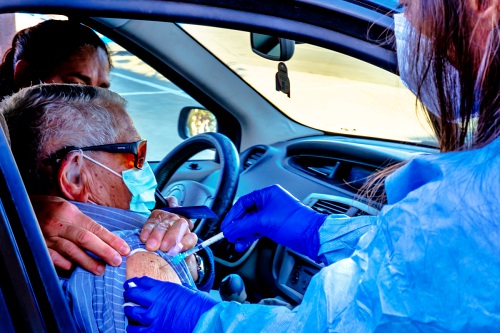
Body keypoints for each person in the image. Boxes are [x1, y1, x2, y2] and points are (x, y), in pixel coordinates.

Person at [123, 0, 500, 332]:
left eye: (409, 3)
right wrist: (318, 230)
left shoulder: (474, 204)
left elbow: (355, 319)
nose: (402, 16)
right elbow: (420, 262)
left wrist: (203, 320)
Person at [1, 83, 215, 332]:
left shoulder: (15, 241)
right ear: (75, 176)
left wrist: (194, 262)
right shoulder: (136, 259)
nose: (143, 167)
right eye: (137, 154)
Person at [0, 19, 185, 276]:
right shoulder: (11, 153)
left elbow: (172, 234)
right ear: (24, 76)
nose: (95, 102)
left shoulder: (100, 144)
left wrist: (178, 240)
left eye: (102, 89)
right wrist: (17, 215)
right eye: (77, 85)